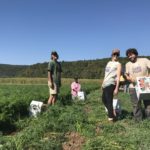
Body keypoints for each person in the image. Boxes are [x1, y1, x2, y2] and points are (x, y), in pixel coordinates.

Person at [125, 48, 150, 121]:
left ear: (136, 54)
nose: (130, 57)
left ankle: (148, 120)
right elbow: (126, 74)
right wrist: (128, 78)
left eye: (131, 54)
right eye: (128, 56)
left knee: (148, 104)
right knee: (136, 105)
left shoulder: (144, 60)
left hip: (145, 85)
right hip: (133, 86)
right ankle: (138, 120)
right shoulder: (127, 64)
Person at [102, 49, 122, 122]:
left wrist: (117, 88)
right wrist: (102, 83)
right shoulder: (108, 63)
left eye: (117, 55)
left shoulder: (118, 64)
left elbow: (118, 77)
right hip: (105, 83)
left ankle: (111, 119)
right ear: (112, 55)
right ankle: (112, 112)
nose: (116, 56)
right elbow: (106, 74)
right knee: (103, 100)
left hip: (111, 83)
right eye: (114, 54)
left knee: (109, 101)